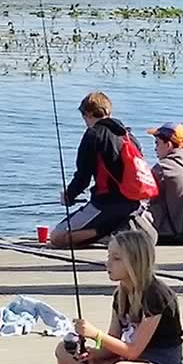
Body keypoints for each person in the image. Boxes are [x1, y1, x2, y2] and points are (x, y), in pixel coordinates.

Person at [52, 229, 183, 364]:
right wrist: (92, 353)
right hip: (127, 359)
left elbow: (133, 350)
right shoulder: (120, 295)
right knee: (63, 349)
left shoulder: (156, 295)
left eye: (116, 259)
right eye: (108, 257)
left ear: (135, 262)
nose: (108, 264)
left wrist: (95, 334)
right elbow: (112, 347)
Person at [54, 92, 155, 249]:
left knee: (57, 237)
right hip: (135, 203)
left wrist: (69, 196)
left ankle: (108, 231)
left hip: (107, 204)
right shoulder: (129, 136)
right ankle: (121, 226)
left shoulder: (93, 135)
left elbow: (82, 178)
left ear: (87, 114)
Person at [147, 123, 183, 247]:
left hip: (173, 235)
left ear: (168, 145)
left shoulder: (162, 168)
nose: (155, 149)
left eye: (157, 143)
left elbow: (147, 199)